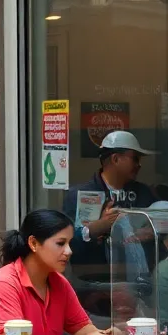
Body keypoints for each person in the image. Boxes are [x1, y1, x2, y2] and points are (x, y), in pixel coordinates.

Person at [62, 130, 157, 312]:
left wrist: (149, 233)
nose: (139, 165)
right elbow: (68, 243)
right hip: (93, 287)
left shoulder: (144, 194)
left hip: (136, 287)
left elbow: (160, 236)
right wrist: (95, 229)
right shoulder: (79, 195)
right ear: (115, 159)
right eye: (135, 158)